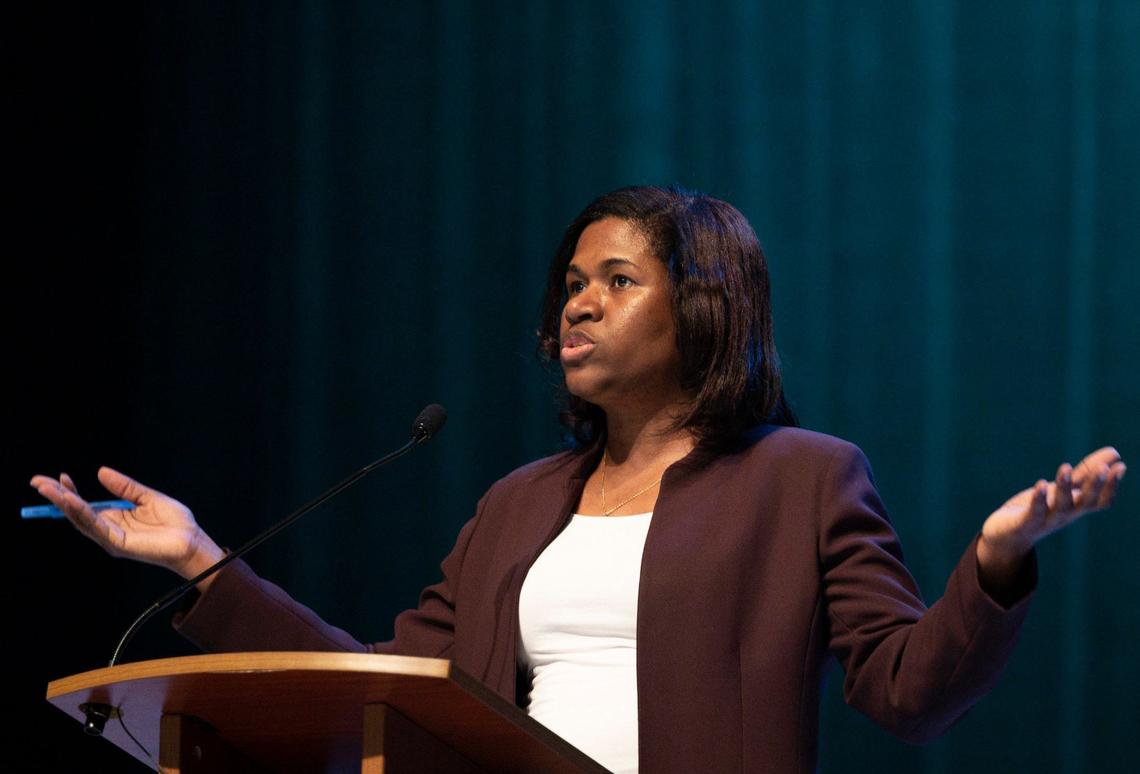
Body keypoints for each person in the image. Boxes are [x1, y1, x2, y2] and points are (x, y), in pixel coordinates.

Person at [31, 185, 1126, 774]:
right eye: (570, 284)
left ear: (704, 308)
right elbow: (393, 686)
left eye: (616, 280)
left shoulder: (802, 479)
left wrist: (994, 562)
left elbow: (907, 692)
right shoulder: (519, 501)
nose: (578, 304)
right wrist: (201, 561)